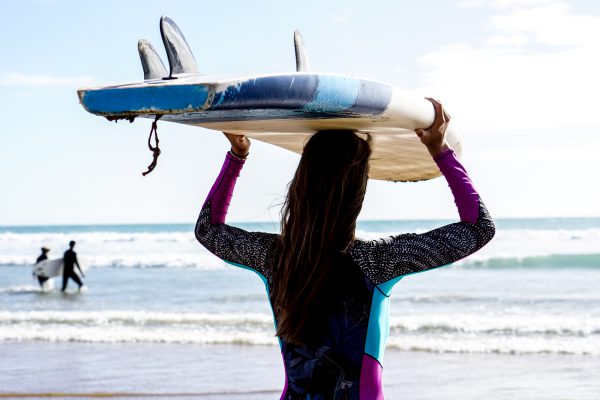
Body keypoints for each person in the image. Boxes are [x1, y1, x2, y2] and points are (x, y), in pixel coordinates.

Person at [195, 99, 495, 399]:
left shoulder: (275, 257)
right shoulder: (378, 261)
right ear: (357, 193)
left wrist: (238, 156)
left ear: (301, 183)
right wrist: (440, 152)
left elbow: (208, 229)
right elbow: (478, 227)